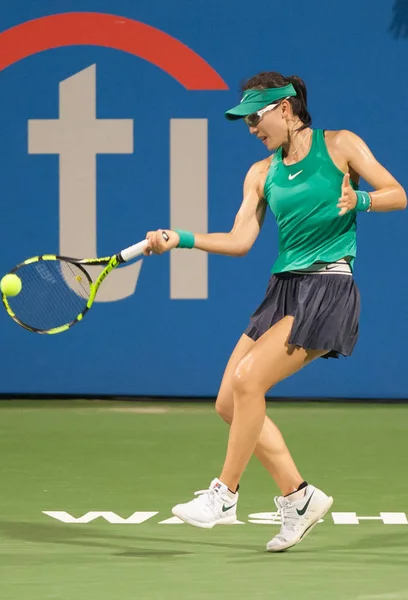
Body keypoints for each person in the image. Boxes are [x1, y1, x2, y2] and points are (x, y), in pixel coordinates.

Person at [144, 71, 407, 552]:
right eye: (246, 122)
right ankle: (299, 497)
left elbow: (398, 193)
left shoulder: (341, 144)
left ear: (286, 108)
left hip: (328, 286)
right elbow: (241, 240)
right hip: (283, 289)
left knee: (249, 382)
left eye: (256, 118)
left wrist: (361, 199)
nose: (251, 129)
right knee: (229, 401)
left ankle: (224, 494)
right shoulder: (261, 173)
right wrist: (179, 238)